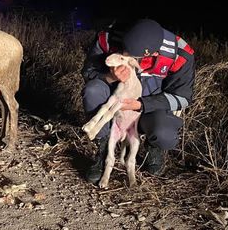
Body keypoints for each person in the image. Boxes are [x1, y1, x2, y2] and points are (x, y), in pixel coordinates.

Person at [81, 18, 195, 183]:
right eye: (124, 52)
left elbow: (182, 98)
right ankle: (103, 149)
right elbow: (88, 72)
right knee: (92, 91)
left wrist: (142, 105)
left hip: (150, 107)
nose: (127, 57)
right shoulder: (108, 38)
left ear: (154, 53)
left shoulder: (180, 54)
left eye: (134, 57)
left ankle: (153, 148)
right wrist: (110, 77)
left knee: (165, 133)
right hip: (115, 102)